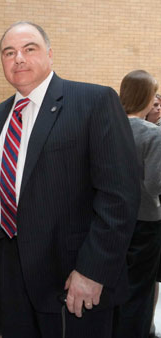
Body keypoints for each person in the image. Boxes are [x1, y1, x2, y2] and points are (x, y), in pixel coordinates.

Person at [0, 21, 139, 338]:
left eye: (30, 49)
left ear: (50, 54)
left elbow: (119, 196)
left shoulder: (93, 102)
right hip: (14, 278)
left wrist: (93, 271)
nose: (18, 59)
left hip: (72, 280)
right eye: (9, 52)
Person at [112, 70, 161, 338]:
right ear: (145, 96)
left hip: (111, 220)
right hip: (144, 222)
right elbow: (155, 185)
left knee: (113, 287)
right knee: (140, 291)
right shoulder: (152, 134)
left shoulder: (108, 127)